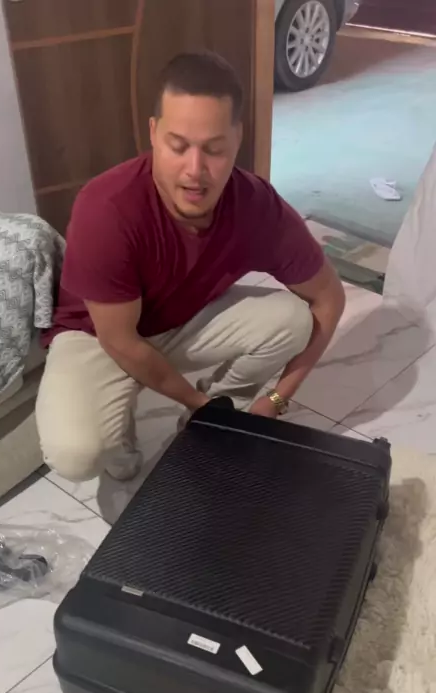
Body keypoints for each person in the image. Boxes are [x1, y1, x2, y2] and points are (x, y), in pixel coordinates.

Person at [37, 51, 345, 484]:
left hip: (179, 320)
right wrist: (196, 404)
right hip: (97, 334)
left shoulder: (255, 205)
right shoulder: (106, 208)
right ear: (153, 133)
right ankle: (130, 433)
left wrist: (276, 399)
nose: (195, 171)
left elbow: (329, 298)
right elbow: (119, 339)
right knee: (76, 454)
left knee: (294, 320)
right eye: (178, 146)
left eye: (214, 150)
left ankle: (221, 413)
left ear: (237, 138)